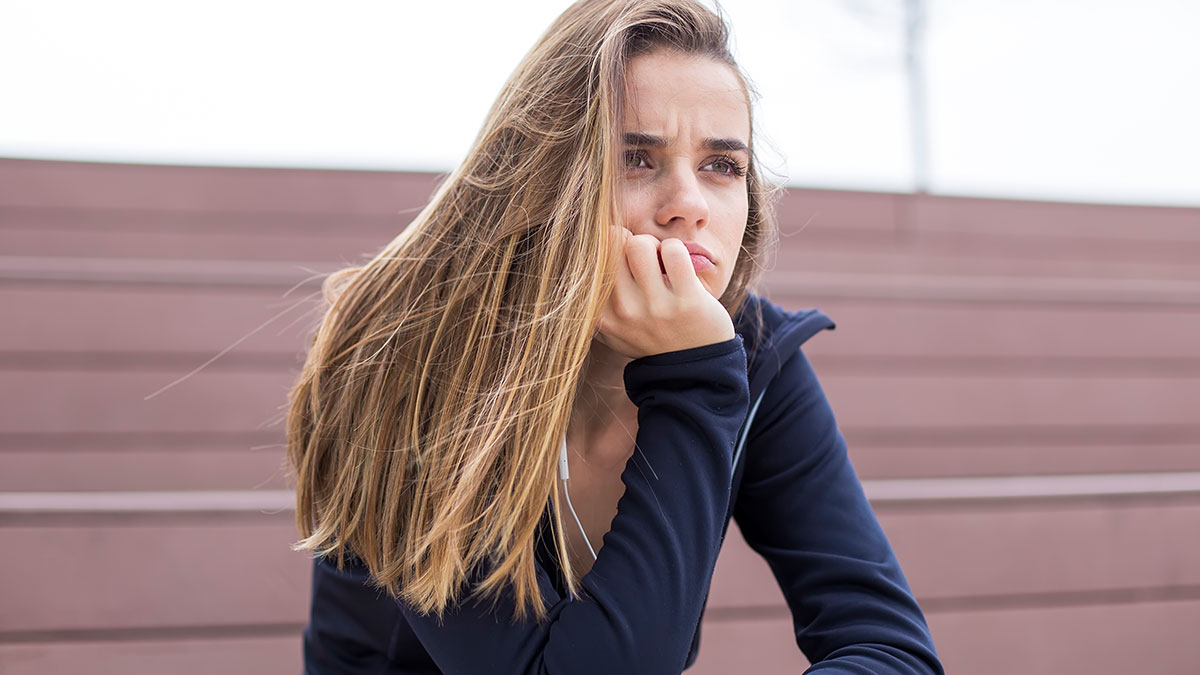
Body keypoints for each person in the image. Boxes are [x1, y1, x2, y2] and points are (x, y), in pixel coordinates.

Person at [287, 0, 943, 672]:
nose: (689, 201)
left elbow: (889, 648)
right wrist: (692, 379)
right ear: (547, 180)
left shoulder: (748, 354)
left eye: (722, 165)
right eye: (636, 157)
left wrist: (703, 371)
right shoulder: (412, 362)